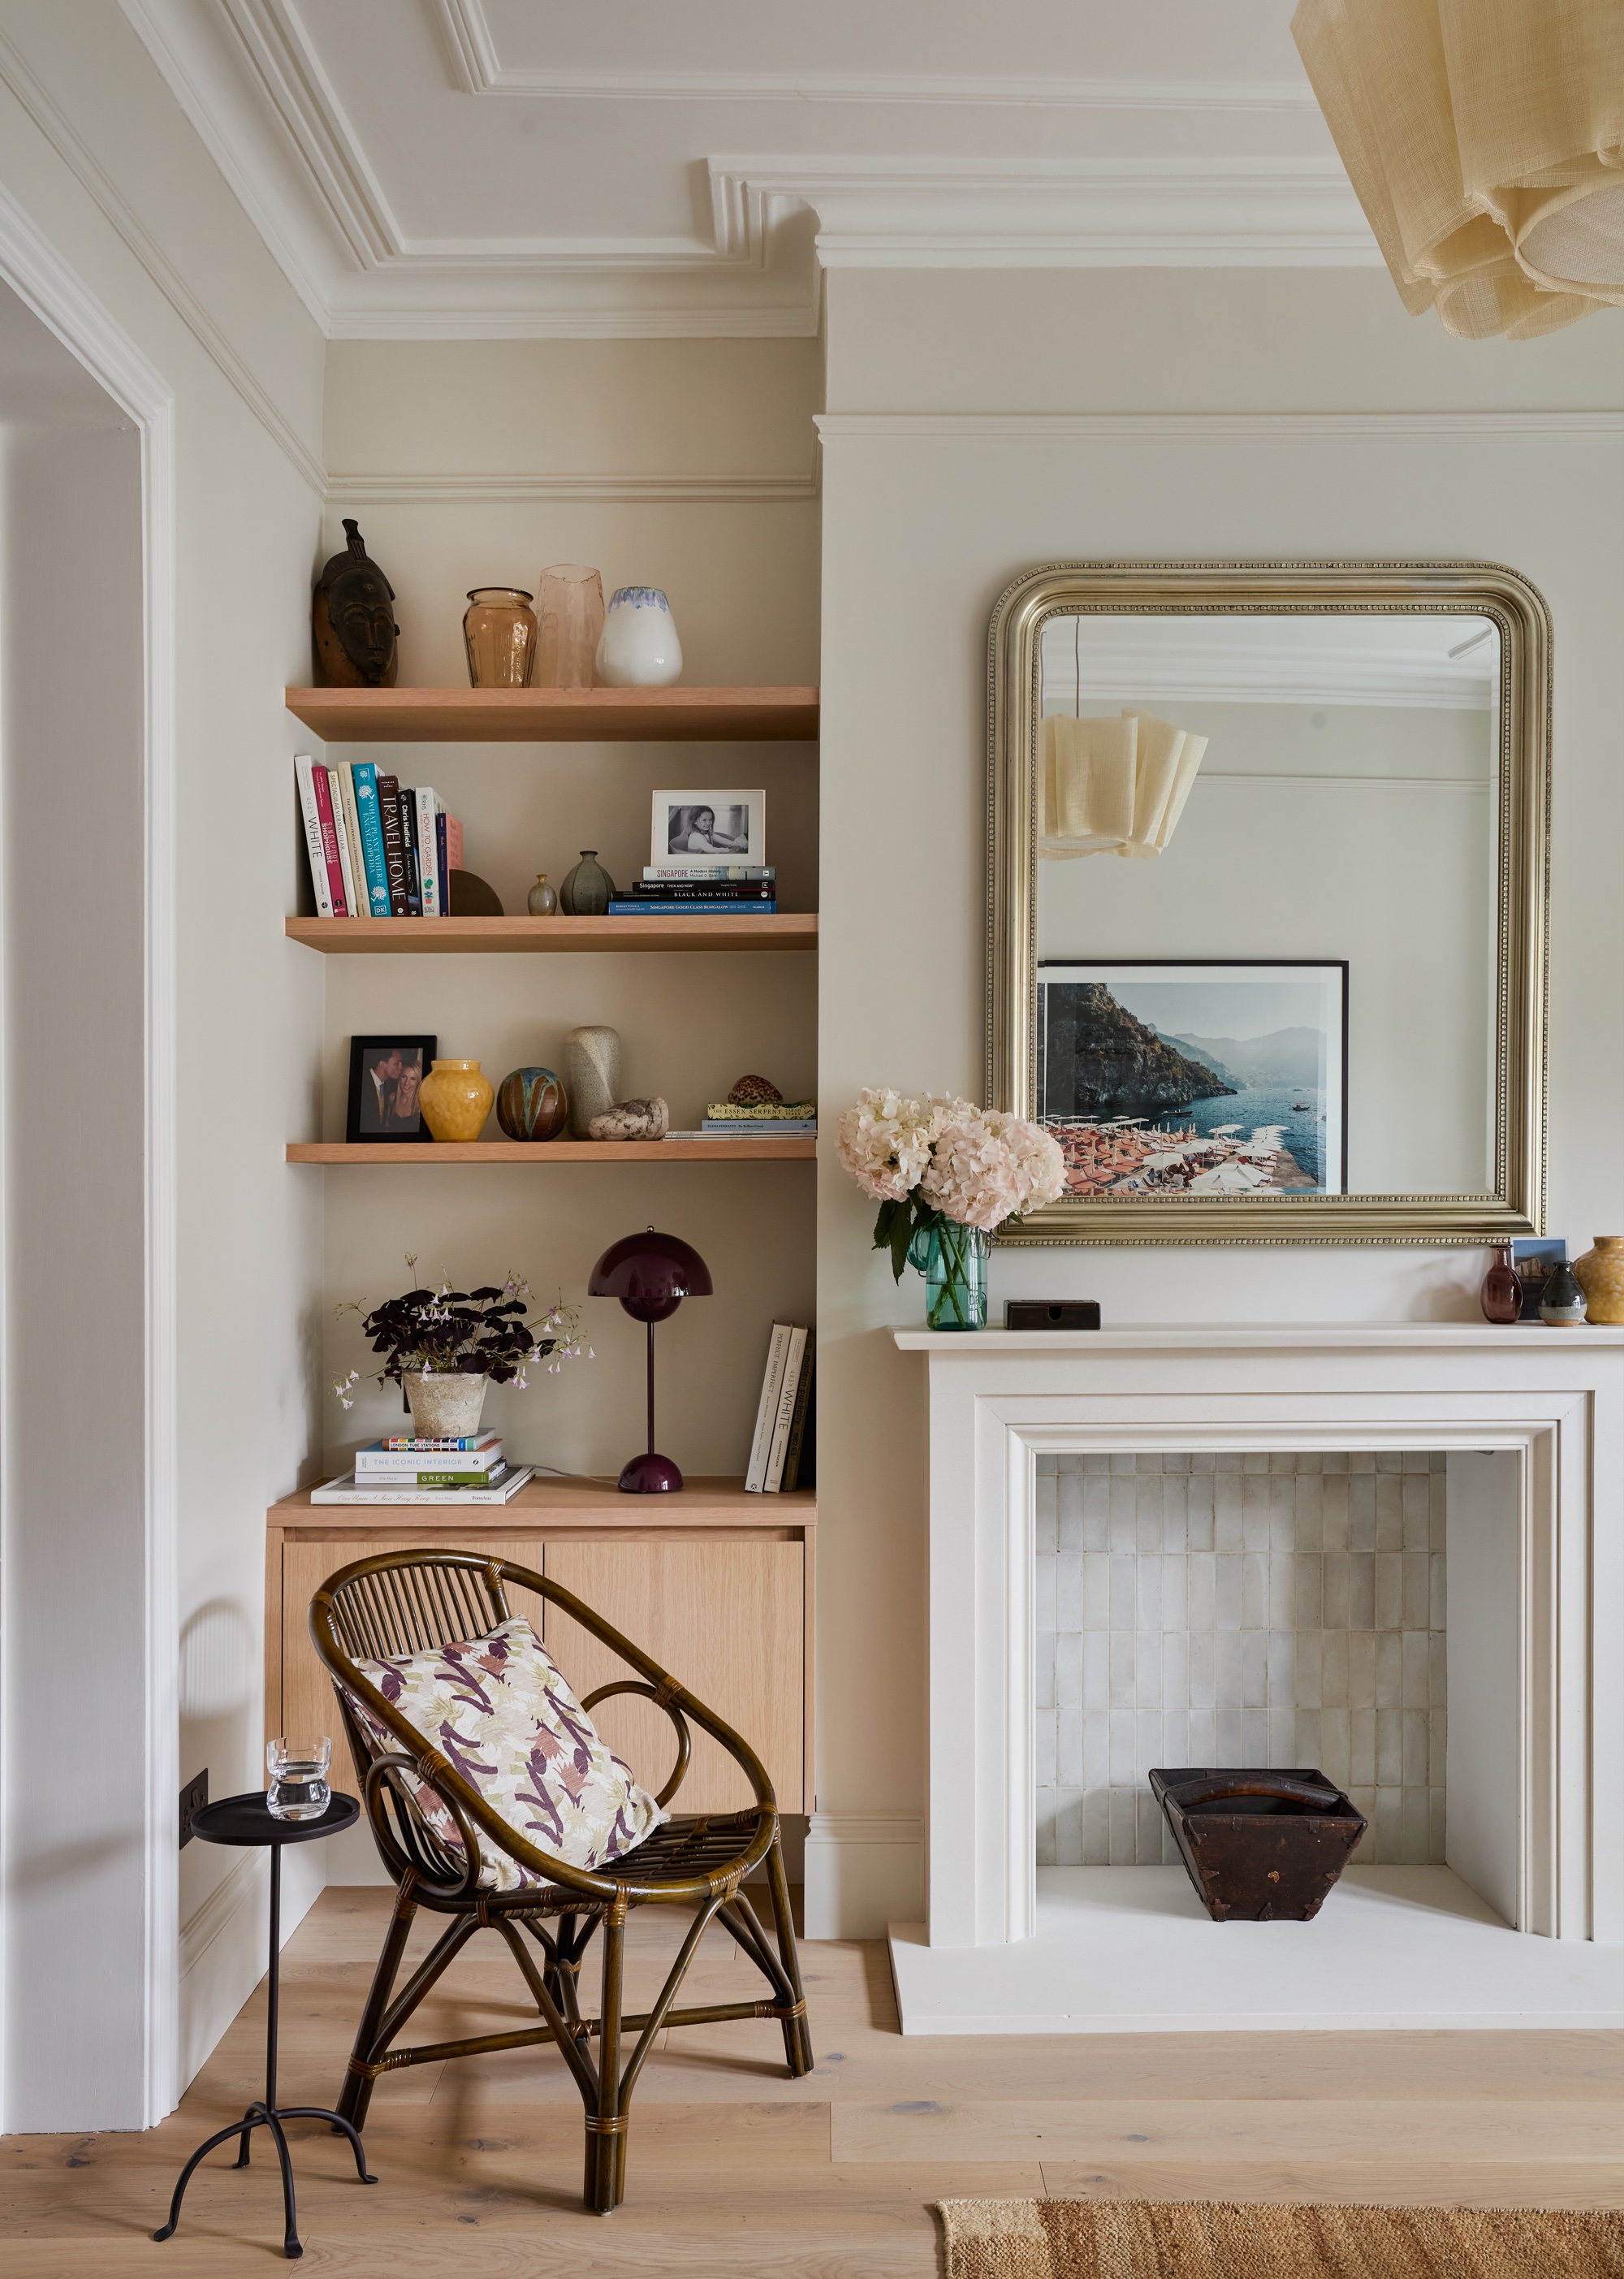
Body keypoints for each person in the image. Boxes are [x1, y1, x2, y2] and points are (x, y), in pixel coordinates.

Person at [669, 803, 747, 854]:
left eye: (710, 819)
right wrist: (728, 851)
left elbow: (719, 838)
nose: (708, 823)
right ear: (695, 821)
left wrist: (734, 844)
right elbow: (710, 849)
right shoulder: (696, 836)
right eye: (704, 820)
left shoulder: (707, 832)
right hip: (696, 861)